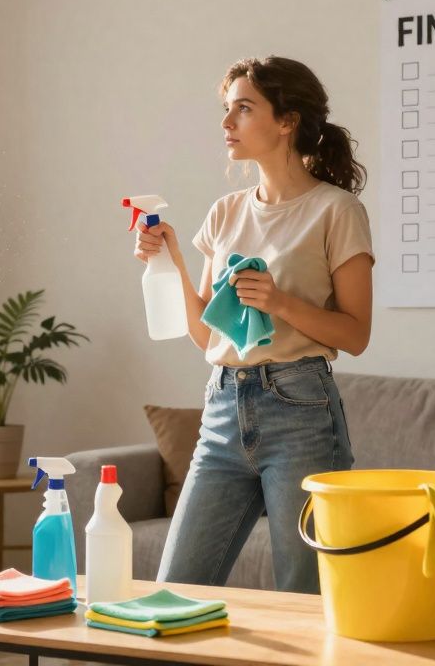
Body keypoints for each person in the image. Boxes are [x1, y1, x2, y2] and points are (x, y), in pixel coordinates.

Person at [132, 56, 374, 593]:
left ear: (286, 121)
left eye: (243, 109)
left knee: (303, 595)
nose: (227, 124)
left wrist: (280, 302)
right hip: (221, 411)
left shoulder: (336, 211)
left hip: (301, 414)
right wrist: (166, 256)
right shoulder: (224, 213)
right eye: (227, 110)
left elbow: (356, 334)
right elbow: (207, 336)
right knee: (176, 590)